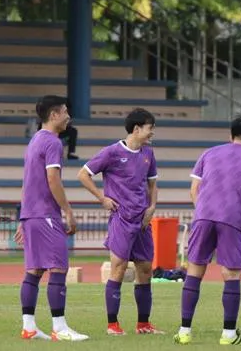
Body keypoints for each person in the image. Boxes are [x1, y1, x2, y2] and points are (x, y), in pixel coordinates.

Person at [173, 116, 241, 346]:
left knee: (194, 272)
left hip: (203, 216)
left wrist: (205, 212)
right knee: (231, 275)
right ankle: (228, 334)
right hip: (232, 219)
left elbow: (194, 189)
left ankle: (184, 331)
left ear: (231, 135)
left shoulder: (209, 153)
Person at [77, 108, 163, 336]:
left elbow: (153, 184)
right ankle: (112, 325)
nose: (152, 132)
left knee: (145, 269)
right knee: (119, 268)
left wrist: (152, 207)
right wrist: (101, 198)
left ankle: (143, 324)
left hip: (143, 220)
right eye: (149, 128)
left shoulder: (148, 153)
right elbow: (83, 174)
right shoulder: (111, 152)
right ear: (137, 129)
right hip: (122, 219)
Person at [14, 95, 89, 341]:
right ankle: (60, 328)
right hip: (46, 214)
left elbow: (28, 182)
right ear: (54, 114)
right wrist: (67, 210)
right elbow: (52, 179)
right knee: (58, 267)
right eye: (66, 111)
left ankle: (29, 327)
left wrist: (24, 218)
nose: (69, 116)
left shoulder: (34, 140)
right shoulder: (53, 143)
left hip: (32, 214)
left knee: (34, 270)